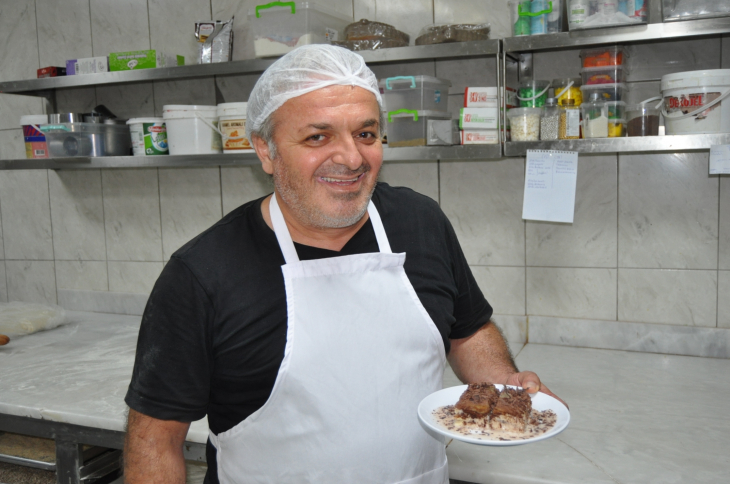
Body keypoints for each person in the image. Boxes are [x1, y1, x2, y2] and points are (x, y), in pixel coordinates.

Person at [123, 44, 563, 484]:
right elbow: (155, 441)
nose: (352, 158)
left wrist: (504, 383)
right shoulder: (203, 274)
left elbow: (467, 330)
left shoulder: (420, 222)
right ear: (266, 151)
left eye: (366, 134)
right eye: (318, 137)